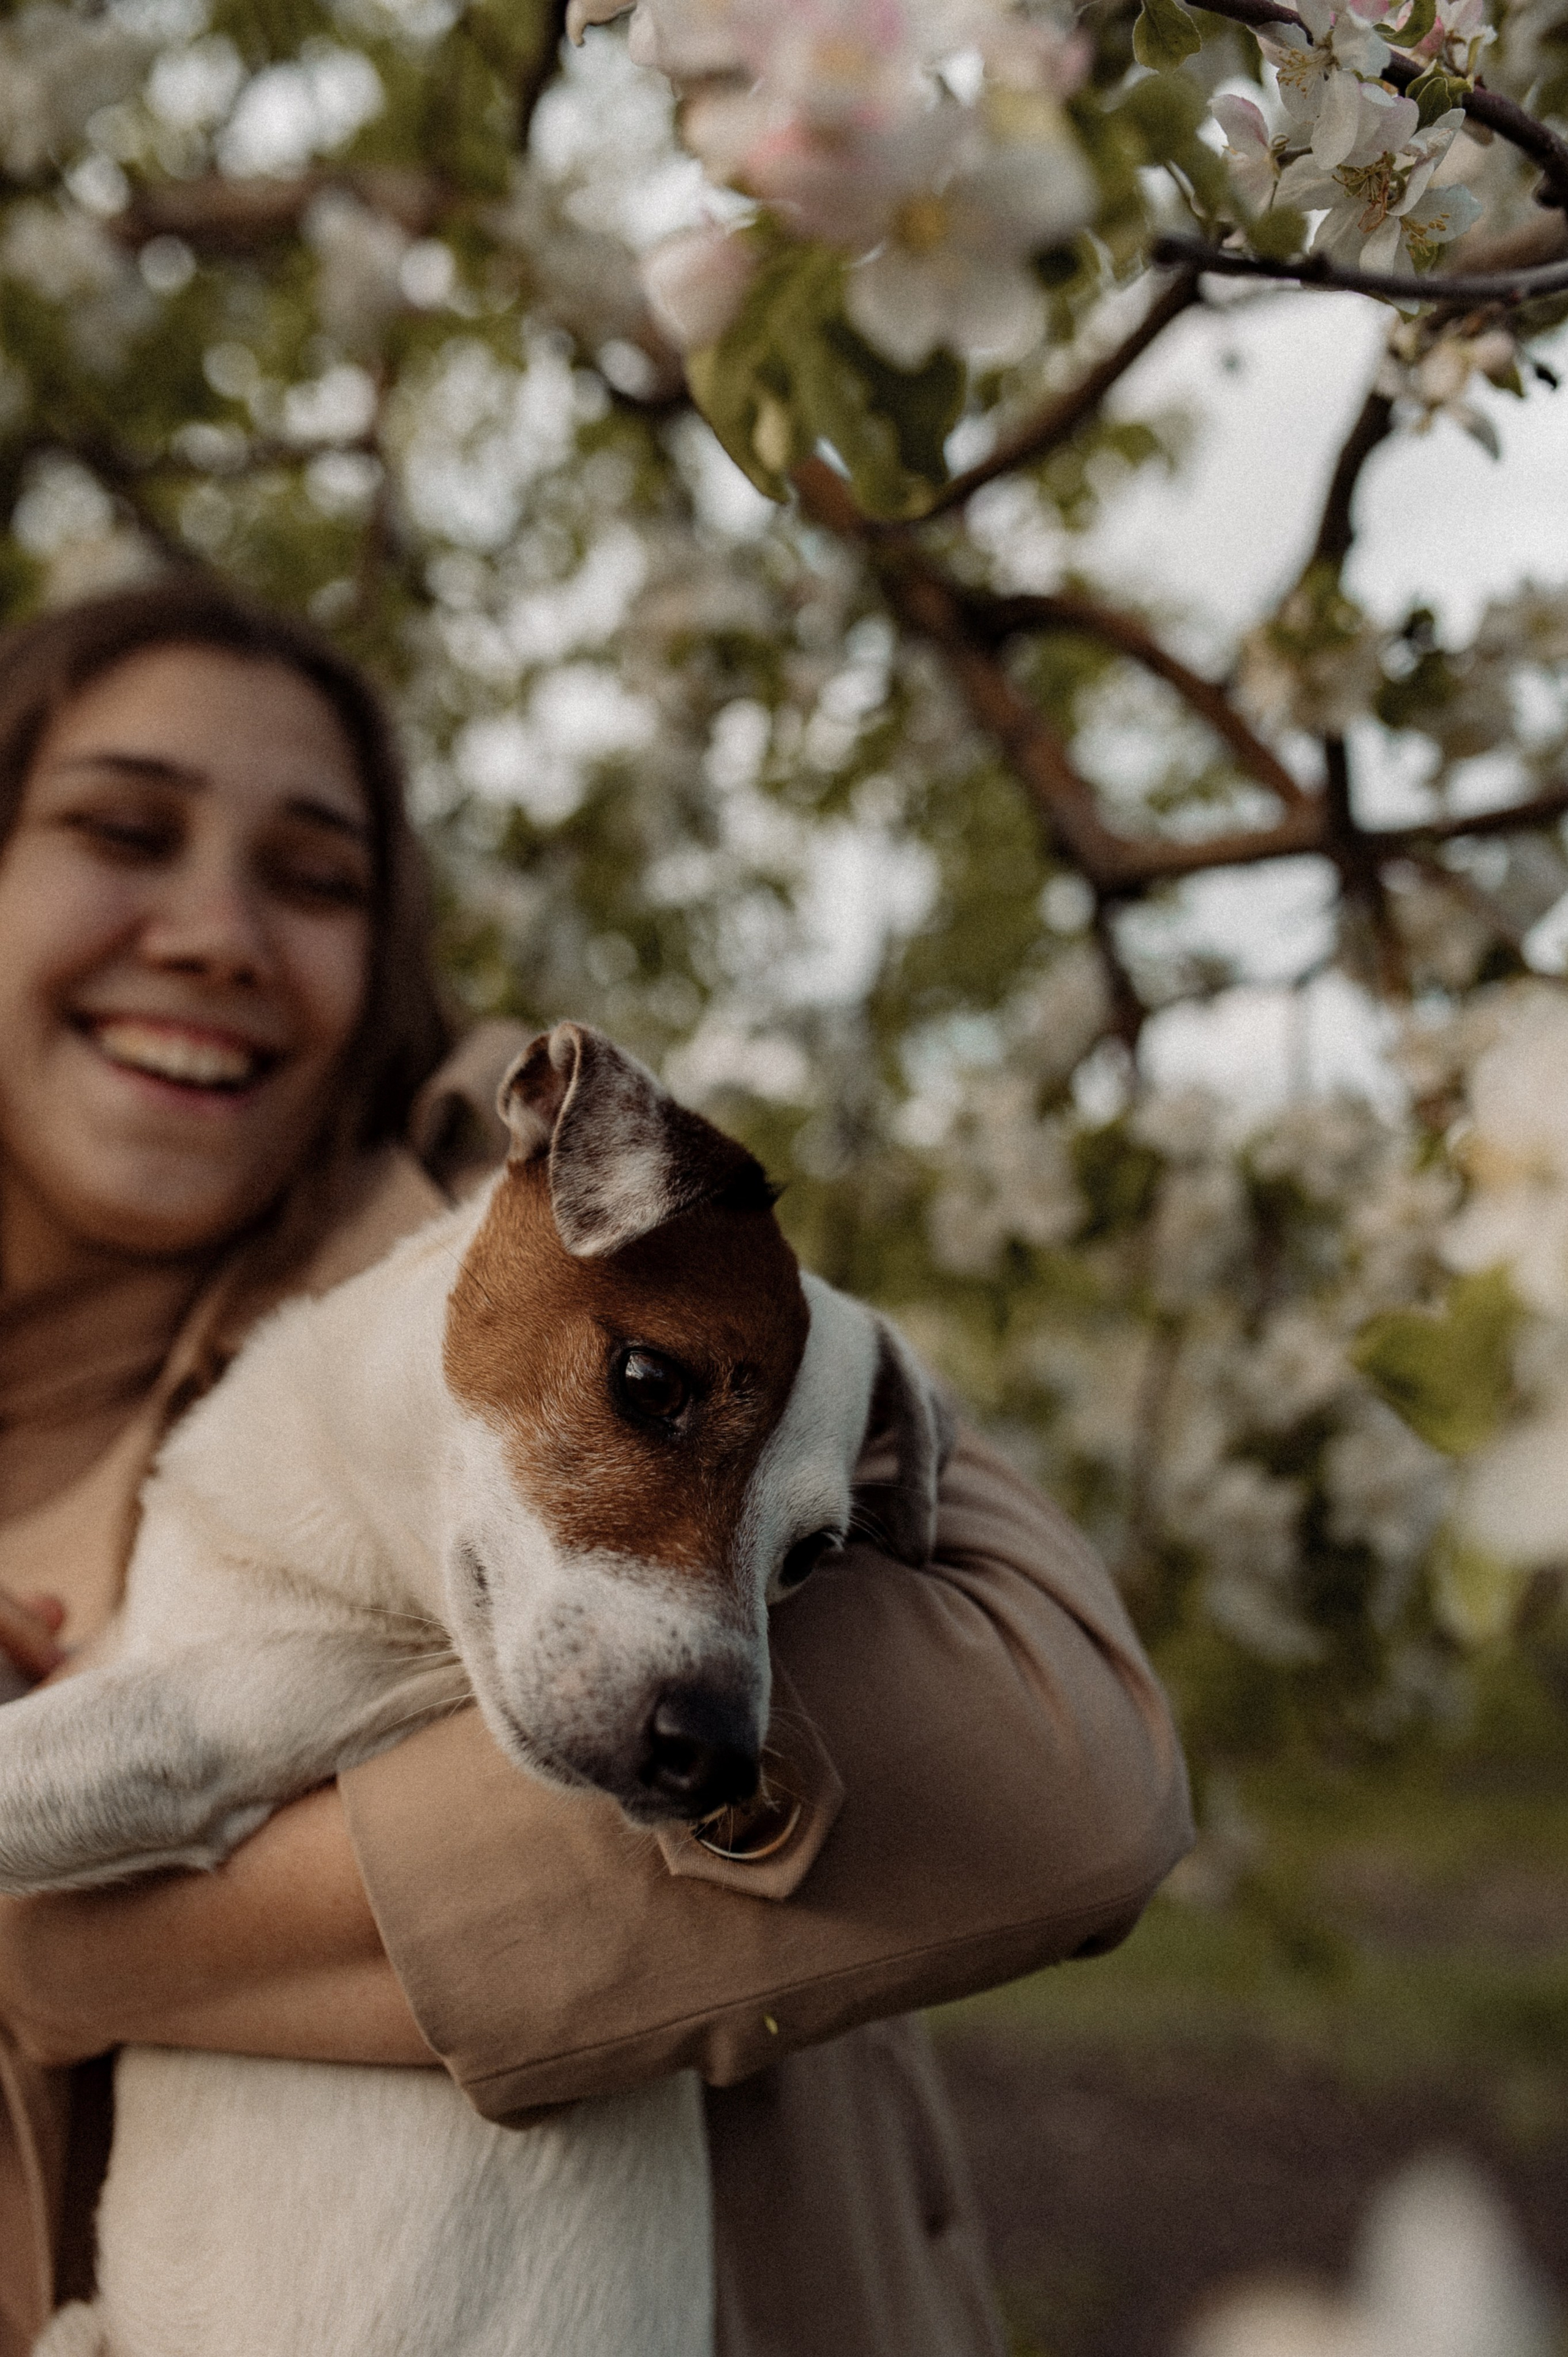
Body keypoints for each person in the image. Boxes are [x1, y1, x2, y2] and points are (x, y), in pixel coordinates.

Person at [0, 576, 1192, 2357]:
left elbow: (1063, 1769)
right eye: (123, 828)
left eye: (316, 876)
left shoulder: (558, 1219)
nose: (218, 934)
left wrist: (74, 1939)